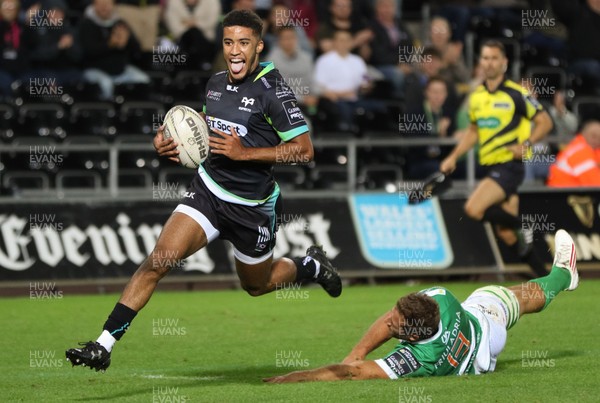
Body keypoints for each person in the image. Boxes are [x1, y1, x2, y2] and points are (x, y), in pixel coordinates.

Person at [66, 9, 342, 372]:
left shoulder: (272, 90)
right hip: (208, 193)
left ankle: (309, 265)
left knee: (257, 286)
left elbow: (305, 150)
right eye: (229, 42)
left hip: (252, 208)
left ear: (259, 46)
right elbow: (198, 133)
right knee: (157, 261)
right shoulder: (214, 84)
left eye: (244, 42)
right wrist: (168, 144)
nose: (235, 50)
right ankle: (103, 345)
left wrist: (246, 153)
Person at [265, 229, 579, 382]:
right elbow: (389, 322)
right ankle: (562, 276)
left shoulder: (419, 360)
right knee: (514, 298)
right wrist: (356, 352)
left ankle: (564, 275)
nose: (389, 321)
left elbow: (352, 375)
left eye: (397, 323)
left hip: (480, 352)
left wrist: (295, 377)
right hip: (481, 325)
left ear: (412, 337)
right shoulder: (440, 297)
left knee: (512, 299)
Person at [439, 40, 553, 277]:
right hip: (489, 166)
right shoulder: (477, 97)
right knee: (506, 232)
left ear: (504, 62)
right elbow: (473, 132)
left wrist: (527, 143)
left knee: (473, 209)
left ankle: (524, 223)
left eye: (494, 58)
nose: (489, 63)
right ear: (480, 62)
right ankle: (545, 279)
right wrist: (453, 157)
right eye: (485, 58)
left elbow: (545, 122)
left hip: (510, 165)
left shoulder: (518, 94)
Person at [78, 0, 150, 100]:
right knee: (106, 84)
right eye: (101, 5)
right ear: (94, 5)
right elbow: (87, 52)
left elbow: (137, 49)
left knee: (143, 80)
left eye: (107, 4)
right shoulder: (87, 24)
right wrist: (110, 44)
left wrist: (127, 41)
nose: (104, 8)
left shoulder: (120, 23)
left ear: (113, 5)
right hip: (95, 70)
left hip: (121, 71)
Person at [404, 76, 455, 179]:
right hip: (420, 161)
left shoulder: (449, 113)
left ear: (446, 94)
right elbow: (413, 143)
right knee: (438, 168)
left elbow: (451, 147)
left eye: (441, 92)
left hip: (443, 159)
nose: (438, 96)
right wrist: (438, 134)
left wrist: (451, 136)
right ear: (426, 93)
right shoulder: (414, 113)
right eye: (434, 92)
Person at [265, 25, 318, 113]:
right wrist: (302, 99)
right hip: (284, 102)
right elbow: (276, 89)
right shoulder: (271, 61)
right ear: (279, 40)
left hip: (309, 99)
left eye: (292, 37)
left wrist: (315, 96)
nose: (289, 41)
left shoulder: (306, 57)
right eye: (285, 38)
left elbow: (312, 81)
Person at [368, 0, 414, 100]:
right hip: (377, 67)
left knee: (417, 75)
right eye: (384, 6)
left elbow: (409, 45)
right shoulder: (371, 27)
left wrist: (404, 63)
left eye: (390, 6)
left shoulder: (400, 25)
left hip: (401, 65)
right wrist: (398, 64)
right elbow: (377, 54)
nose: (387, 10)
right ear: (377, 8)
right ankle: (398, 104)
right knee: (397, 74)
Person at [163, 0, 221, 69]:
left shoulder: (212, 2)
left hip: (206, 41)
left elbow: (212, 21)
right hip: (181, 41)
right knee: (191, 34)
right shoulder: (173, 2)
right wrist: (194, 25)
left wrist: (192, 24)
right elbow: (173, 24)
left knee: (195, 33)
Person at [547, 120, 600, 187]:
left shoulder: (584, 147)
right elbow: (595, 185)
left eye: (599, 138)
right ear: (583, 134)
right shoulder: (581, 153)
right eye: (593, 136)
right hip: (562, 194)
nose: (597, 140)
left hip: (568, 191)